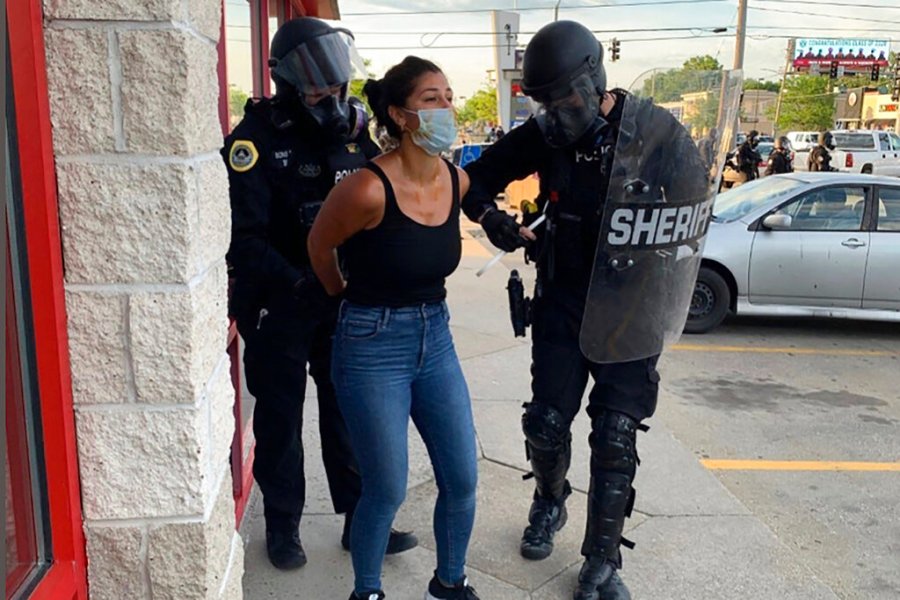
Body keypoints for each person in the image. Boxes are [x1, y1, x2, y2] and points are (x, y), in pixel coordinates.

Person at [463, 20, 706, 600]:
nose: (557, 112)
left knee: (617, 434)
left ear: (595, 78)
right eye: (544, 102)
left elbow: (696, 215)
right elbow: (473, 182)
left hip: (633, 307)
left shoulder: (657, 132)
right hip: (563, 301)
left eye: (566, 98)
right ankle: (550, 500)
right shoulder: (545, 134)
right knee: (545, 425)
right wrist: (495, 221)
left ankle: (603, 559)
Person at [222, 17, 417, 571]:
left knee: (351, 414)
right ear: (287, 83)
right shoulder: (253, 142)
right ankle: (283, 526)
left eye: (336, 85)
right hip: (278, 305)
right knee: (281, 420)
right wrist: (301, 279)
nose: (330, 97)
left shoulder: (354, 135)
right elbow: (243, 240)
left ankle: (362, 522)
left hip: (340, 305)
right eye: (316, 87)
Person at [308, 56, 480, 600]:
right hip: (371, 343)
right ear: (401, 115)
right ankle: (368, 591)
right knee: (385, 487)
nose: (447, 108)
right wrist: (344, 298)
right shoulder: (366, 188)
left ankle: (450, 582)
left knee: (462, 478)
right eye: (432, 98)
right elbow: (319, 246)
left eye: (449, 96)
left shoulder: (458, 180)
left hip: (437, 337)